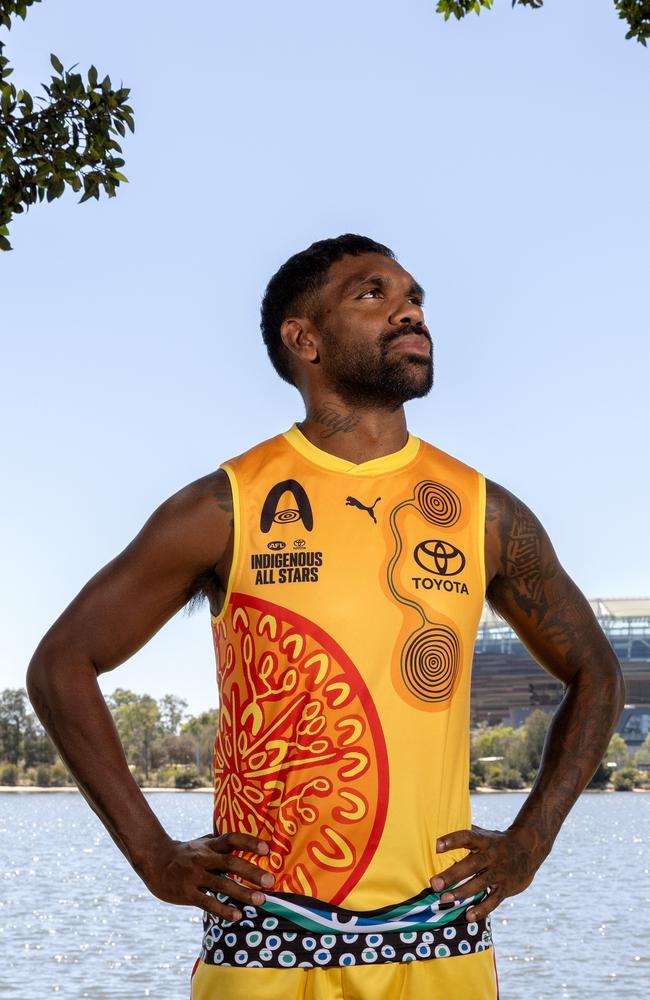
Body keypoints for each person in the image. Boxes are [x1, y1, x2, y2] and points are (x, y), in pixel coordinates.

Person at [27, 234, 624, 1000]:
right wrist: (153, 855)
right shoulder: (224, 507)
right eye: (372, 294)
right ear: (303, 338)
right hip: (264, 940)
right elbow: (60, 666)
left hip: (440, 940)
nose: (410, 309)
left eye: (414, 296)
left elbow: (596, 671)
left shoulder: (484, 513)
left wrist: (529, 843)